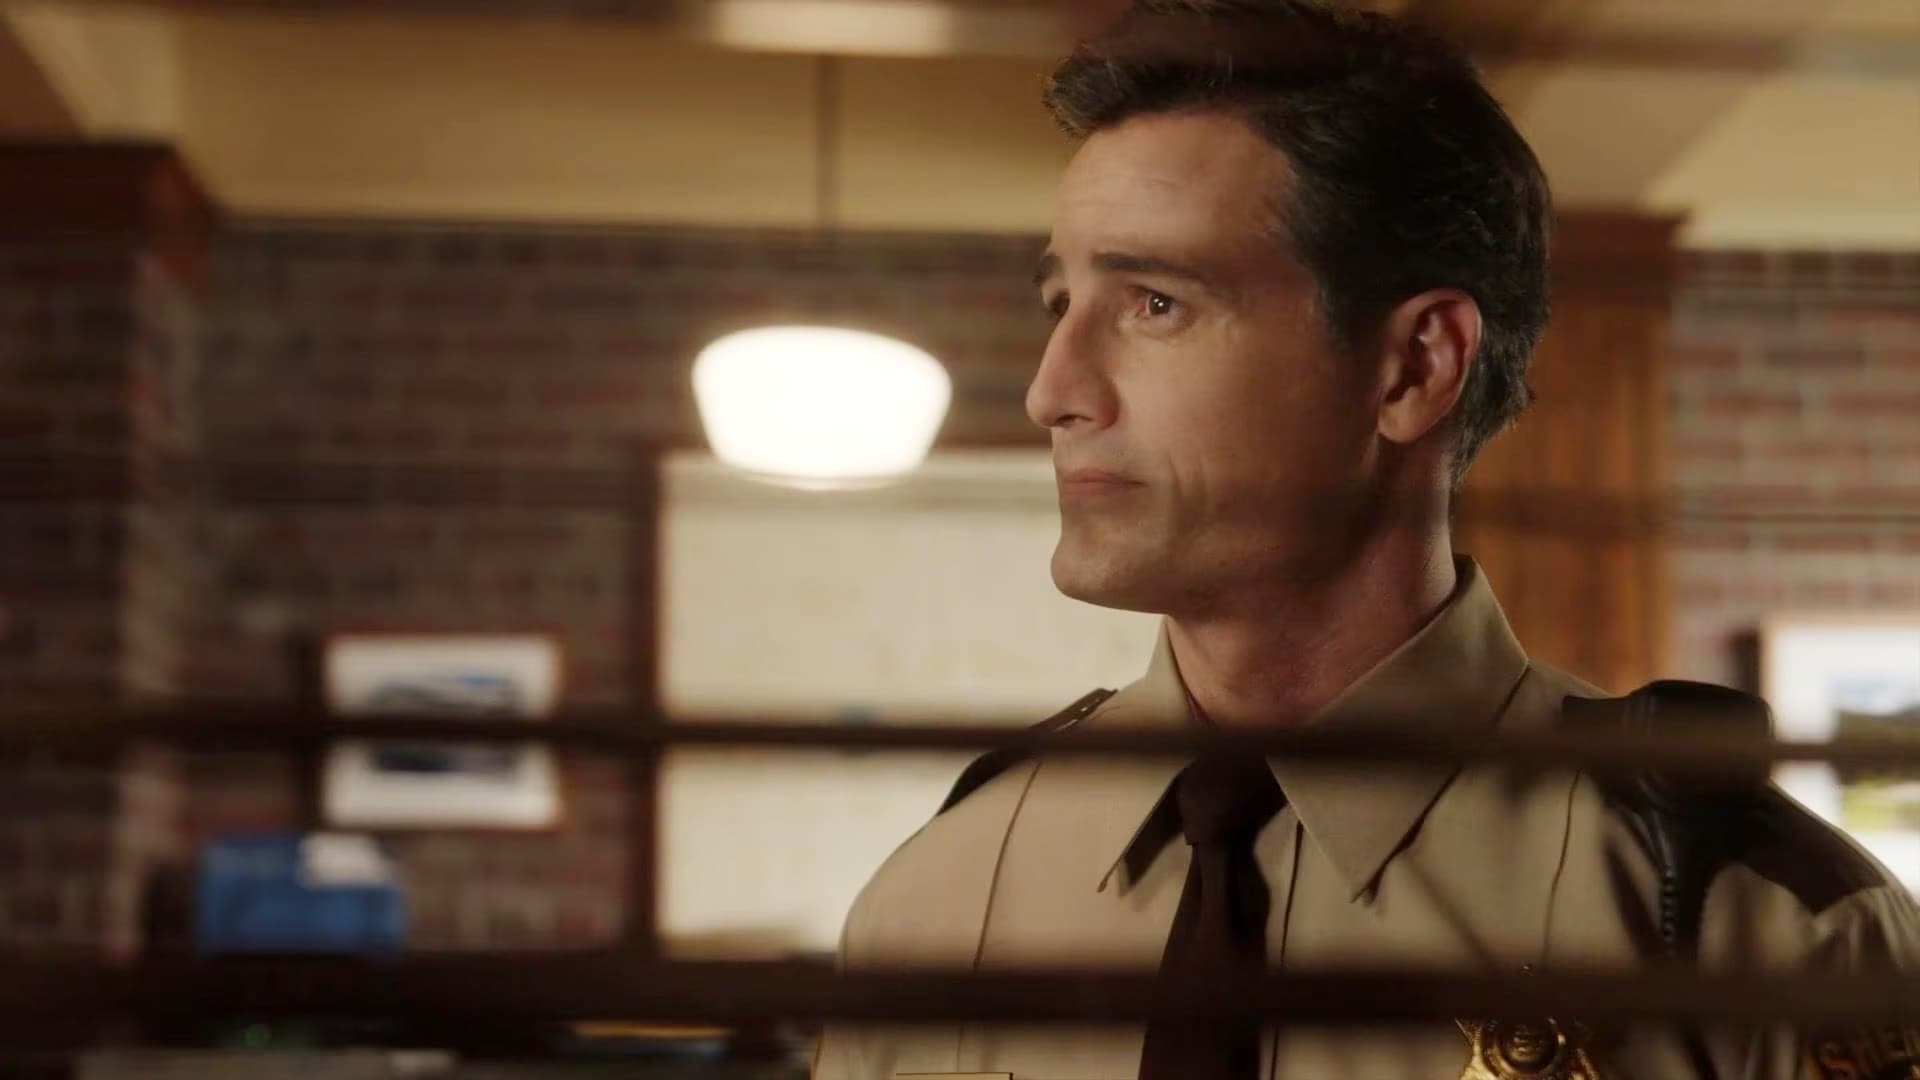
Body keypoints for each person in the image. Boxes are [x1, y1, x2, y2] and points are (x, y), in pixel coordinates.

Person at [811, 2, 1920, 1077]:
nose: (1052, 391)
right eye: (1062, 304)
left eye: (1154, 304)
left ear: (1414, 368)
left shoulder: (1758, 927)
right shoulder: (942, 903)